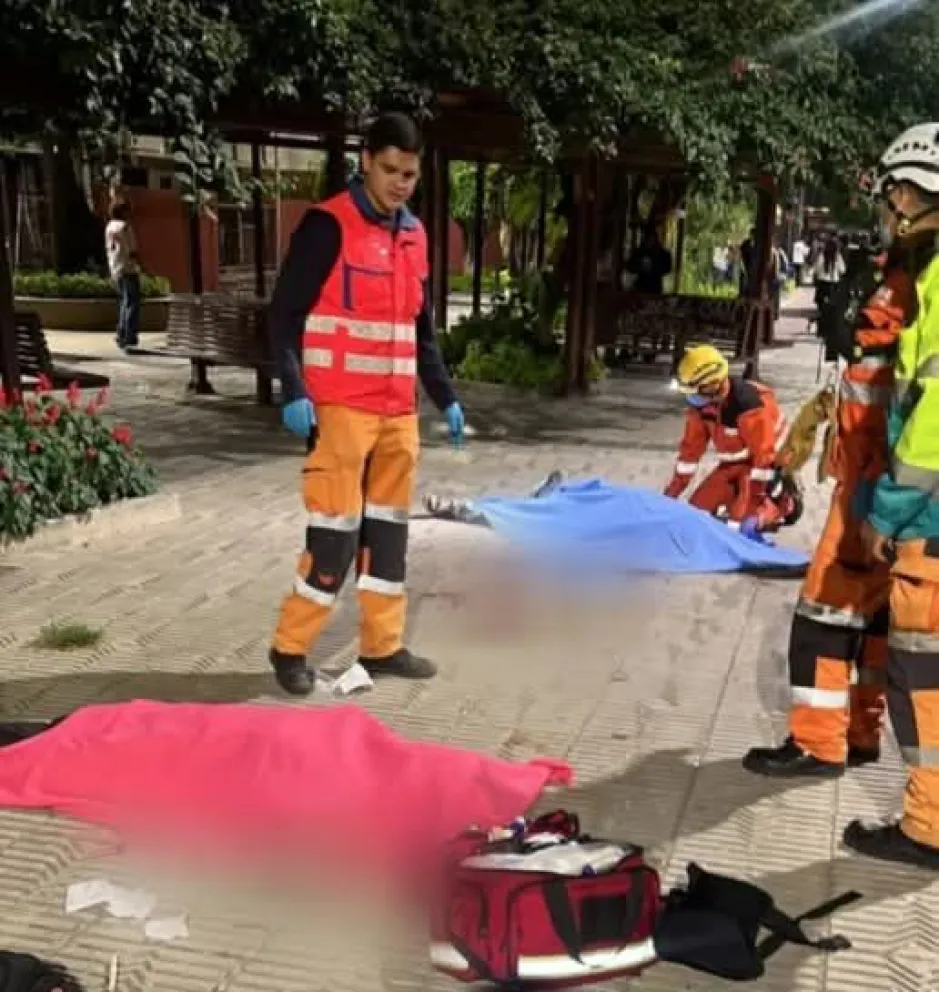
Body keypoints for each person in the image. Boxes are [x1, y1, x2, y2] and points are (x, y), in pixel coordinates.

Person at [266, 112, 466, 696]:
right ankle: (290, 647)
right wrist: (293, 387)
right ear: (365, 160)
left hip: (397, 415)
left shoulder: (415, 235)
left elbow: (421, 328)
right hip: (340, 414)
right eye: (390, 170)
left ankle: (382, 648)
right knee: (335, 538)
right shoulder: (328, 226)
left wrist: (445, 396)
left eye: (410, 173)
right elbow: (283, 316)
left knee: (389, 538)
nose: (401, 183)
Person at [742, 238, 918, 781]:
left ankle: (820, 743)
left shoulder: (908, 290)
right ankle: (858, 734)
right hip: (891, 490)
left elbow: (884, 404)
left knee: (823, 615)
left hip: (873, 489)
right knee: (873, 620)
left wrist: (873, 507)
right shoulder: (916, 277)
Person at [844, 121, 939, 868]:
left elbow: (929, 427)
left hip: (930, 521)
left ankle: (929, 829)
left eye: (889, 198)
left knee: (924, 677)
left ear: (909, 194)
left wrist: (883, 512)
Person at [663, 344, 790, 532]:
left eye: (696, 391)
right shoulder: (702, 407)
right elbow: (690, 452)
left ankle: (781, 505)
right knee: (697, 510)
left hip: (766, 463)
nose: (692, 398)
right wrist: (670, 495)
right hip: (734, 464)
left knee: (741, 522)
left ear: (714, 384)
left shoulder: (748, 405)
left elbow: (764, 456)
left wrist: (754, 502)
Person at [105, 199, 141, 352]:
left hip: (116, 268)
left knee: (124, 302)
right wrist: (142, 265)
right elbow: (132, 250)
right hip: (128, 268)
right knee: (132, 302)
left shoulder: (109, 227)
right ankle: (128, 335)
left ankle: (121, 333)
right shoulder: (125, 227)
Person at [626, 224, 673, 295]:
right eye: (647, 239)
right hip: (641, 288)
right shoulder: (639, 252)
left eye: (651, 238)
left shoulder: (662, 253)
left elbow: (667, 268)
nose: (650, 241)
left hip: (655, 288)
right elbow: (630, 267)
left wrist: (653, 265)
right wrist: (640, 266)